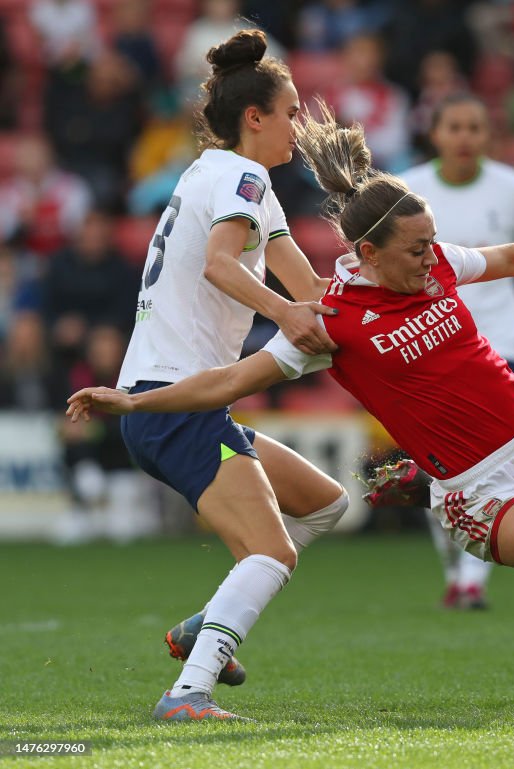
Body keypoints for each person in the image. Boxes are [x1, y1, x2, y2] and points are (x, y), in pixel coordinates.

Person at [68, 108, 514, 711]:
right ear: (369, 253)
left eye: (432, 246)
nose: (432, 260)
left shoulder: (436, 263)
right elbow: (226, 384)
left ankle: (419, 478)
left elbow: (512, 258)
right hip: (484, 487)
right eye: (416, 251)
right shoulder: (332, 324)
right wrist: (131, 400)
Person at [95, 30, 350, 721]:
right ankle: (187, 694)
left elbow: (308, 287)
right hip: (173, 403)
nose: (300, 125)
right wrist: (287, 319)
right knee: (271, 553)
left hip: (182, 403)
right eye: (291, 112)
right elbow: (219, 264)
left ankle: (204, 626)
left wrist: (356, 319)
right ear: (254, 118)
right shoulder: (242, 176)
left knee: (325, 503)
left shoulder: (233, 181)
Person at [401, 92, 514, 610]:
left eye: (474, 127)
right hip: (429, 346)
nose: (464, 137)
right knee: (440, 469)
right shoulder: (408, 190)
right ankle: (458, 572)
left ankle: (471, 583)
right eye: (454, 126)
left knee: (492, 469)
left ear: (488, 136)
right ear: (434, 134)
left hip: (497, 341)